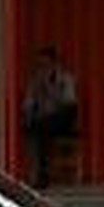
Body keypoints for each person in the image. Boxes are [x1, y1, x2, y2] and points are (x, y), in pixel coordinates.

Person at [22, 45, 79, 189]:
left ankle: (43, 174)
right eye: (40, 64)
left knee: (42, 127)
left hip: (61, 119)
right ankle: (38, 173)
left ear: (54, 63)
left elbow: (69, 103)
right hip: (42, 120)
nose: (43, 67)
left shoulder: (65, 79)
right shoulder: (35, 80)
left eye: (46, 64)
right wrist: (29, 112)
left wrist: (49, 90)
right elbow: (28, 103)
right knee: (34, 129)